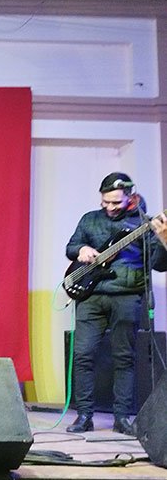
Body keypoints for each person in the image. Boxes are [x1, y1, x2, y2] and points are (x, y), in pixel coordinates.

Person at [65, 172, 167, 435]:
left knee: (124, 358)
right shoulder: (90, 219)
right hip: (90, 295)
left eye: (116, 203)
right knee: (83, 355)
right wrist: (81, 251)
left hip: (127, 296)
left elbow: (159, 264)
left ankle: (122, 418)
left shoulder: (146, 223)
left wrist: (165, 240)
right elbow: (71, 246)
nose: (110, 208)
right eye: (105, 202)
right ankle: (84, 415)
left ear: (130, 198)